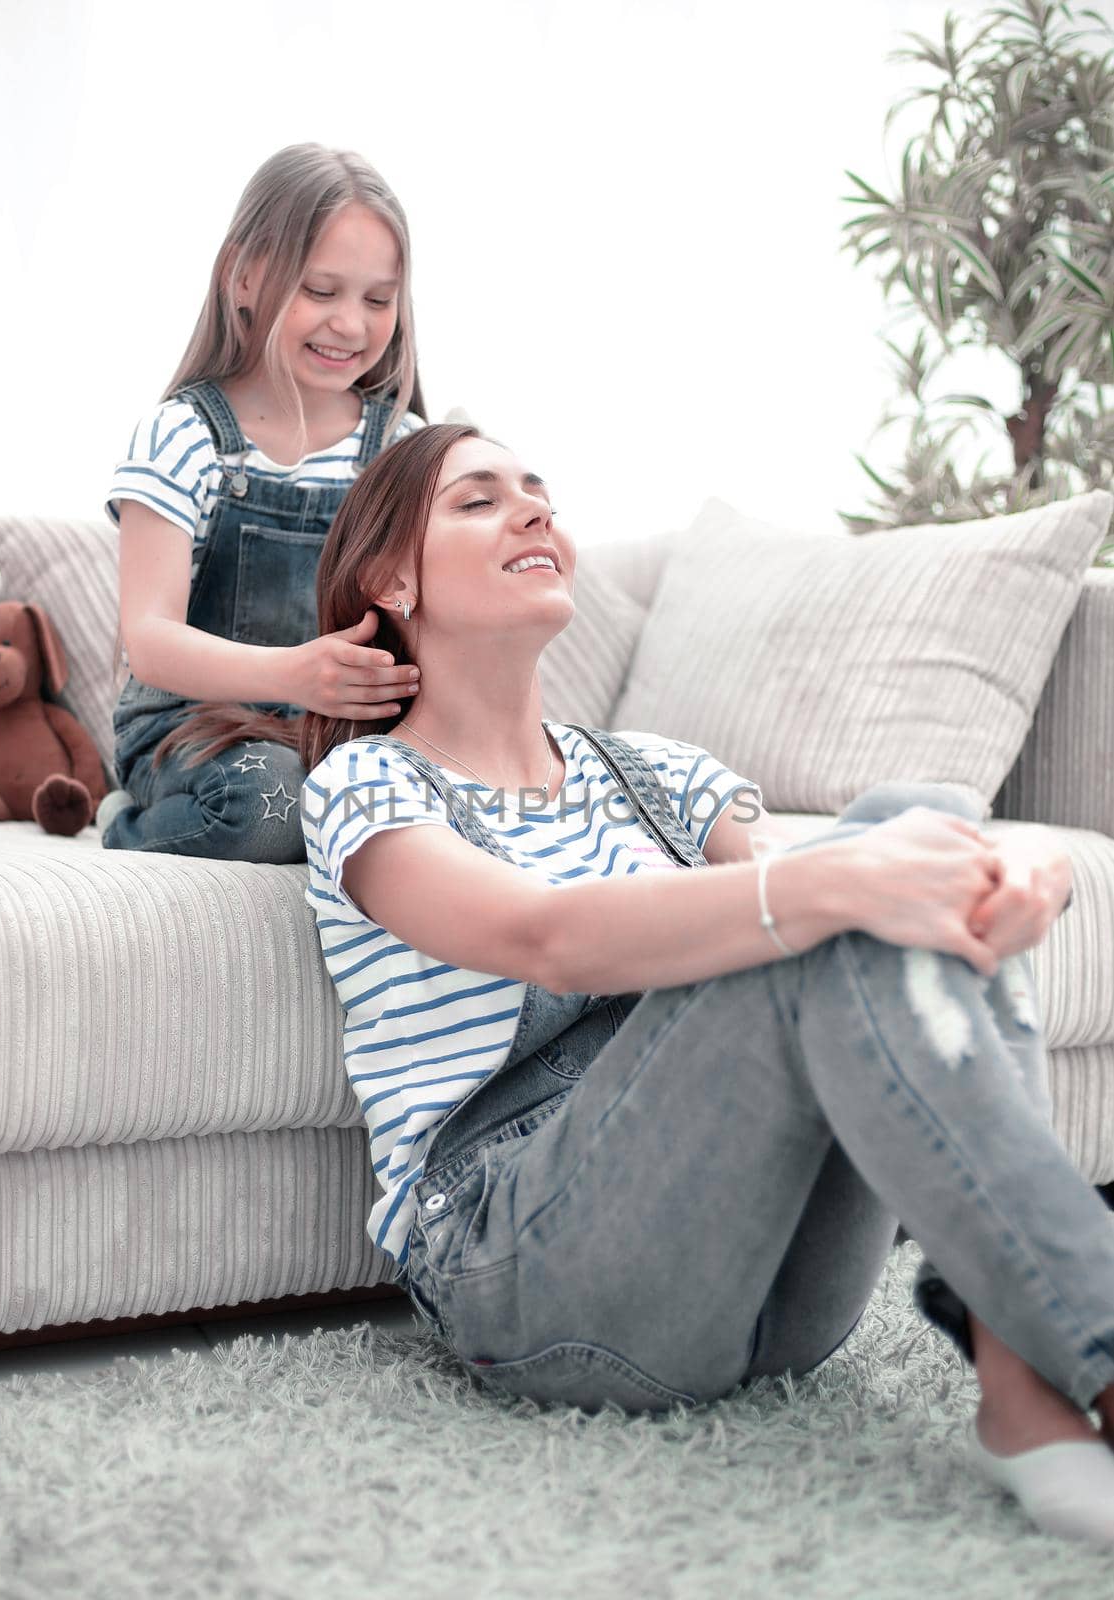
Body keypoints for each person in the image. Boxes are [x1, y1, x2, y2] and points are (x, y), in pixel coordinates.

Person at [299, 421, 1114, 1546]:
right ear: (391, 579)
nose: (535, 509)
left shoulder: (657, 773)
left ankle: (1021, 1379)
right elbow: (542, 936)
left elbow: (861, 891)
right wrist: (851, 879)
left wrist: (1027, 869)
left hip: (773, 1289)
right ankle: (1066, 1371)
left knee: (899, 828)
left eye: (540, 490)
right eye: (480, 500)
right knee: (847, 876)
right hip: (525, 1273)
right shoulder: (366, 785)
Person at [99, 144, 425, 863]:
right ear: (244, 277)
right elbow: (149, 641)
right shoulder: (184, 436)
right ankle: (123, 824)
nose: (350, 324)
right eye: (320, 290)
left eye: (377, 299)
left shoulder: (404, 449)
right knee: (268, 806)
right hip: (199, 729)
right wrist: (292, 674)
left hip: (340, 737)